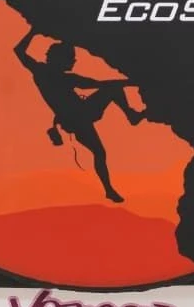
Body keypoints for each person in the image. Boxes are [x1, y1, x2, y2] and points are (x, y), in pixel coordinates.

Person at [13, 30, 145, 203]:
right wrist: (131, 82)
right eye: (71, 59)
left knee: (99, 152)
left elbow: (18, 51)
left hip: (73, 119)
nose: (74, 62)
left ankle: (108, 189)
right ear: (61, 60)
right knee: (100, 148)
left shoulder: (40, 72)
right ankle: (131, 115)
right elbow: (98, 84)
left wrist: (33, 32)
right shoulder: (64, 78)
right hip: (82, 115)